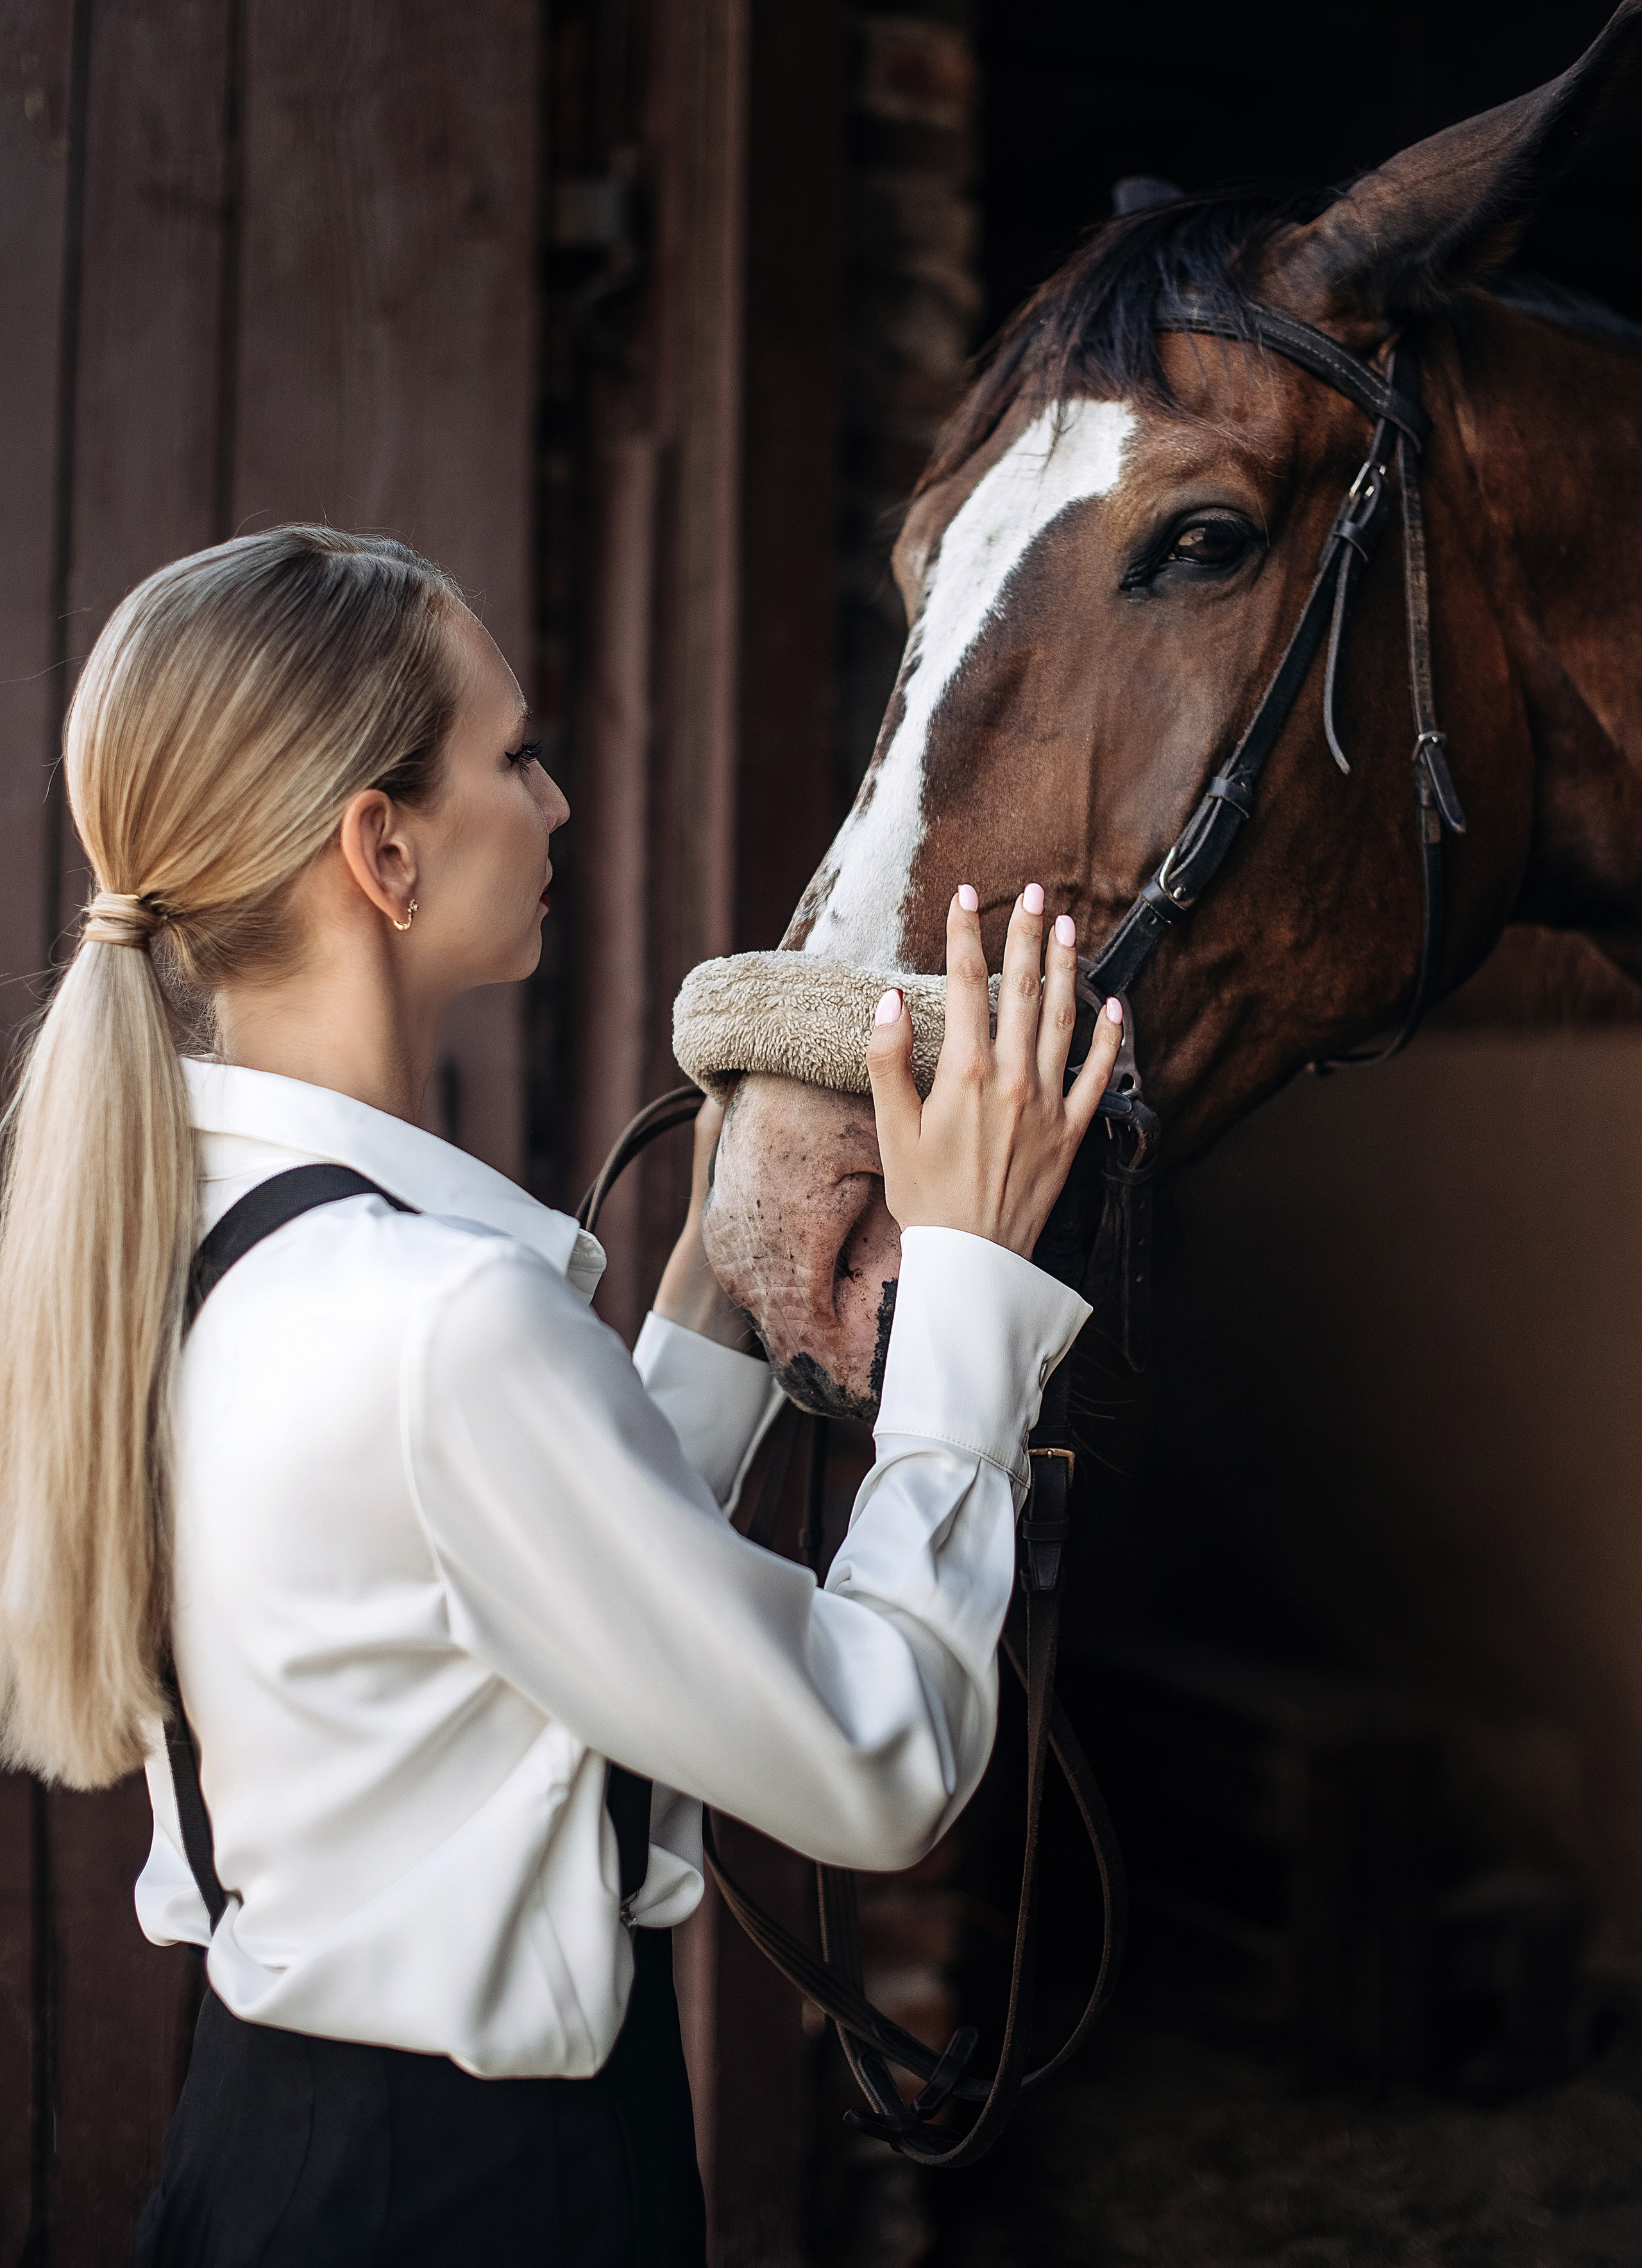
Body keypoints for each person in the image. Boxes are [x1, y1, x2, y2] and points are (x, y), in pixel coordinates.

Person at [0, 525, 1123, 2267]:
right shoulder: (436, 1323)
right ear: (382, 848)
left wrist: (718, 1277)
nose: (559, 802)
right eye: (512, 754)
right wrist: (970, 1271)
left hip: (275, 2151)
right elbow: (875, 1760)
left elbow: (525, 1605)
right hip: (474, 2201)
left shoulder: (193, 1241)